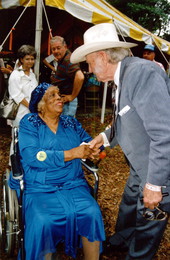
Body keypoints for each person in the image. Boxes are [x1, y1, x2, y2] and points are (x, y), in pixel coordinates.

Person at [70, 23, 170, 259]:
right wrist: (103, 137)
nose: (90, 70)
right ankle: (122, 241)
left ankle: (137, 254)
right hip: (139, 162)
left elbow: (164, 133)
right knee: (128, 205)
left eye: (89, 63)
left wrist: (155, 185)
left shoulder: (142, 74)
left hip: (157, 167)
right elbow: (125, 117)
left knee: (149, 218)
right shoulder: (121, 76)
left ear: (102, 57)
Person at [9, 82, 105, 260]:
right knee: (44, 221)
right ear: (40, 104)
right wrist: (71, 153)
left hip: (73, 183)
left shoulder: (71, 122)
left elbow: (88, 142)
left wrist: (94, 151)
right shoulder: (30, 123)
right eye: (52, 95)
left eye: (59, 94)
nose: (59, 98)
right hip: (40, 186)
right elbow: (33, 156)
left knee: (91, 213)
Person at [8, 45, 38, 156]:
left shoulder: (32, 75)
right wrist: (31, 106)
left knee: (30, 137)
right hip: (20, 112)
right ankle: (13, 164)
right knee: (17, 138)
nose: (30, 61)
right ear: (21, 59)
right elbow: (17, 96)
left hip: (32, 112)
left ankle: (25, 161)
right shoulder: (16, 75)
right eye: (27, 59)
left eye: (32, 59)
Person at [50, 36, 84, 116]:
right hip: (62, 101)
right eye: (53, 49)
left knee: (65, 126)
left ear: (65, 47)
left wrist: (72, 96)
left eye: (58, 48)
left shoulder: (68, 60)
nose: (56, 51)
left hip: (67, 103)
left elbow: (80, 77)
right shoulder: (64, 57)